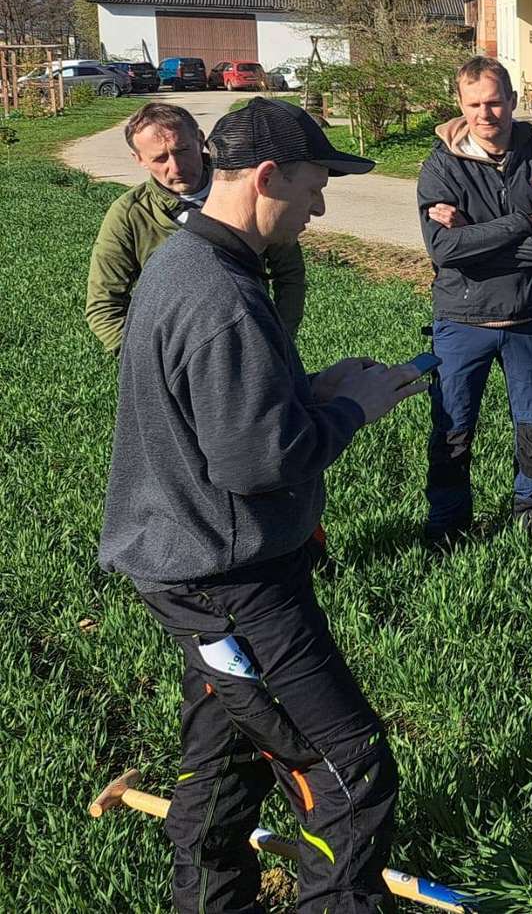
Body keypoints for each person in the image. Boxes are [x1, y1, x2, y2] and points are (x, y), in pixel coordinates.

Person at [98, 97, 426, 914]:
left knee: (223, 761)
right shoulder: (221, 297)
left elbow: (213, 414)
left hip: (186, 567)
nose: (319, 208)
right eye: (316, 187)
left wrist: (311, 390)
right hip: (233, 582)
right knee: (348, 773)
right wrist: (354, 411)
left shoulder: (187, 265)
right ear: (268, 176)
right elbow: (256, 461)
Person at [417, 56, 532, 542]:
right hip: (462, 321)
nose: (486, 113)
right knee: (452, 430)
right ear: (460, 105)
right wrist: (520, 224)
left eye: (495, 102)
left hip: (529, 319)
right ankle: (448, 521)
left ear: (512, 101)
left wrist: (476, 238)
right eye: (475, 104)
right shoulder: (439, 167)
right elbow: (443, 248)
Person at [86, 101, 305, 354]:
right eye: (160, 159)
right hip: (175, 358)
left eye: (182, 150)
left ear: (201, 139)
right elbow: (104, 305)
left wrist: (278, 342)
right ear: (138, 159)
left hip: (252, 345)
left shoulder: (248, 193)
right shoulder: (130, 214)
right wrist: (152, 364)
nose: (176, 167)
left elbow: (289, 275)